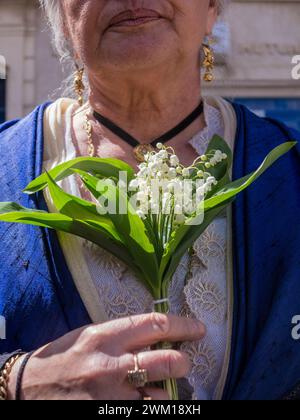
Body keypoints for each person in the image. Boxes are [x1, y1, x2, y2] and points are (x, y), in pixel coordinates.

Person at [0, 0, 300, 400]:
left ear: (211, 9)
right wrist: (17, 380)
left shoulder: (286, 167)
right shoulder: (11, 167)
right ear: (63, 23)